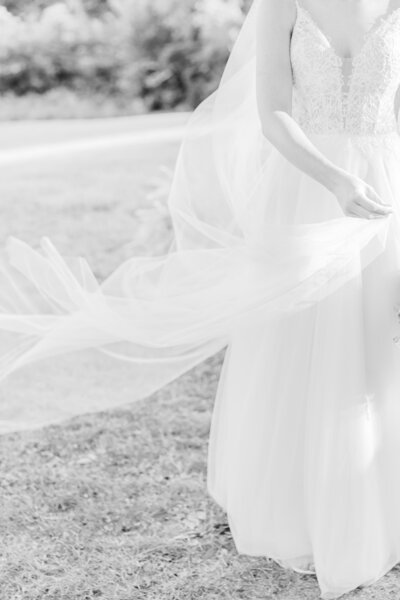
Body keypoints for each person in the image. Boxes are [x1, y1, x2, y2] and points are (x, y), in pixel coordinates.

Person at [0, 0, 399, 597]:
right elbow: (273, 115)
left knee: (375, 344)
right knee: (301, 346)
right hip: (309, 191)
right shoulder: (282, 5)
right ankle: (303, 513)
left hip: (387, 189)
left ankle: (378, 510)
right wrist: (336, 180)